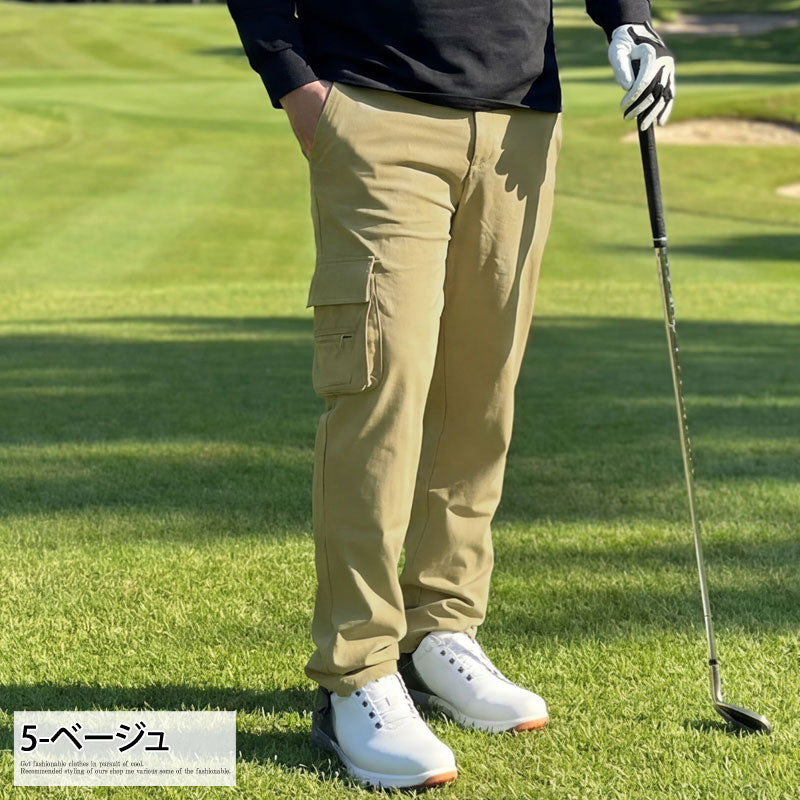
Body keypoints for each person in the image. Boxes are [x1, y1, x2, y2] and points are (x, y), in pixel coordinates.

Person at [226, 0, 675, 789]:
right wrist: (292, 80)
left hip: (521, 122)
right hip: (375, 105)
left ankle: (441, 629)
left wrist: (629, 21)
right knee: (381, 389)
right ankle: (358, 670)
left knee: (481, 396)